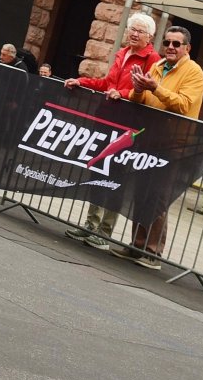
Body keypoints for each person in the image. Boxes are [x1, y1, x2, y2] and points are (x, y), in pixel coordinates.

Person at [61, 13, 161, 247]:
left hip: (127, 126)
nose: (134, 33)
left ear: (150, 36)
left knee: (115, 177)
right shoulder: (122, 53)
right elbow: (107, 84)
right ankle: (90, 224)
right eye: (131, 29)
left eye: (140, 31)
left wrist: (123, 94)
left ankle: (104, 231)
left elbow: (147, 92)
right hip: (105, 120)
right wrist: (81, 81)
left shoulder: (152, 59)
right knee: (97, 170)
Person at [118, 23, 203, 268]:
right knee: (141, 192)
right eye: (167, 43)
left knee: (159, 196)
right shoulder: (157, 66)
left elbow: (184, 105)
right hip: (149, 138)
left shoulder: (194, 72)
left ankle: (153, 251)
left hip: (174, 143)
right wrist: (137, 90)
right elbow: (142, 100)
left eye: (176, 44)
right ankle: (136, 244)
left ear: (187, 47)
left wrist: (157, 88)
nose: (170, 47)